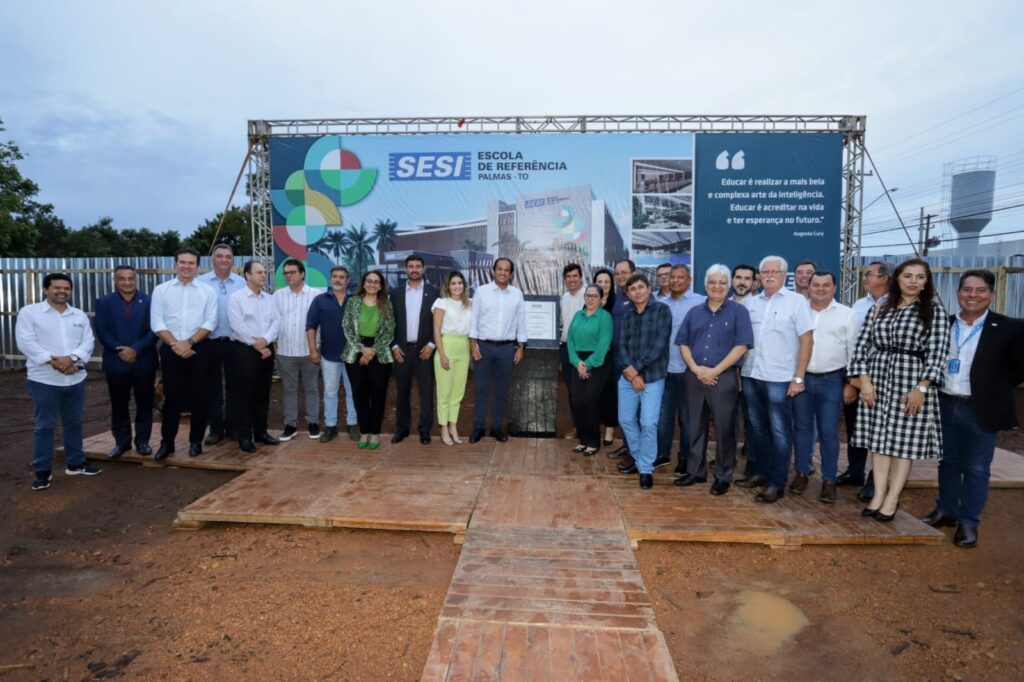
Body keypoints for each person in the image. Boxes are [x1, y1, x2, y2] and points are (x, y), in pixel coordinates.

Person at [921, 270, 1024, 547]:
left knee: (976, 468)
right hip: (945, 403)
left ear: (991, 294)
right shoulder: (944, 324)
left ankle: (968, 521)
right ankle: (946, 510)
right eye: (967, 290)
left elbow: (1018, 369)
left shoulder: (1009, 327)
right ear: (958, 293)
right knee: (948, 463)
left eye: (980, 290)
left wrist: (993, 388)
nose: (973, 296)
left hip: (980, 408)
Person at [849, 258, 949, 522]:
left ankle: (892, 499)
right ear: (897, 279)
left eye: (920, 277)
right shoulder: (881, 307)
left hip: (911, 383)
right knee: (879, 442)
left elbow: (938, 353)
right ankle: (878, 495)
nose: (913, 281)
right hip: (876, 381)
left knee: (903, 445)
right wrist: (864, 381)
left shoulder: (934, 311)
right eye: (908, 276)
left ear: (926, 282)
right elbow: (861, 345)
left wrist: (922, 388)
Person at [738, 255, 814, 503]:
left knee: (780, 431)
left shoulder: (796, 302)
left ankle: (777, 482)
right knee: (757, 428)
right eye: (765, 271)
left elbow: (807, 340)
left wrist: (799, 377)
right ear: (759, 276)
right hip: (751, 374)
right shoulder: (750, 303)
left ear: (784, 275)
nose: (769, 275)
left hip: (779, 378)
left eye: (775, 271)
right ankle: (761, 473)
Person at [16, 273, 100, 490]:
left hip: (75, 378)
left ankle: (76, 463)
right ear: (46, 290)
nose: (62, 291)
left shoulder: (78, 315)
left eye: (66, 288)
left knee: (74, 423)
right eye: (57, 287)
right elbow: (26, 342)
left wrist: (71, 359)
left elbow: (88, 342)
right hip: (44, 380)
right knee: (45, 426)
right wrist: (54, 361)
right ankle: (42, 471)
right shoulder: (30, 313)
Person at [675, 264, 753, 495]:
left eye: (721, 282)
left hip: (724, 378)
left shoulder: (739, 312)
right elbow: (683, 343)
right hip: (694, 377)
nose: (716, 286)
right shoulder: (694, 312)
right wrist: (696, 369)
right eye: (712, 282)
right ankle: (696, 471)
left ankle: (723, 475)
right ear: (705, 285)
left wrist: (714, 371)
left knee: (724, 428)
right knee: (695, 425)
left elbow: (741, 346)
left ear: (728, 286)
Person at [794, 271, 858, 503]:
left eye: (826, 285)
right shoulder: (799, 311)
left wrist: (850, 383)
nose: (820, 289)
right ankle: (801, 473)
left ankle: (829, 480)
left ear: (834, 288)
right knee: (802, 428)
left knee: (829, 432)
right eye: (816, 285)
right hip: (801, 378)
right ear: (808, 287)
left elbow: (854, 351)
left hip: (832, 380)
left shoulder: (848, 315)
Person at [150, 248, 218, 460]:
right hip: (171, 349)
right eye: (182, 262)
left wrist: (189, 343)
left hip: (199, 348)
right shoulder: (161, 290)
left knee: (200, 397)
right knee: (172, 397)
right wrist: (175, 344)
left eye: (191, 263)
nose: (186, 266)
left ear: (197, 266)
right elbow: (157, 322)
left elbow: (211, 322)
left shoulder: (207, 291)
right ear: (175, 264)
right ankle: (167, 443)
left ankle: (196, 441)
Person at [95, 265, 158, 459]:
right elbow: (102, 330)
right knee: (119, 404)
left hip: (144, 361)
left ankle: (142, 442)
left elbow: (155, 329)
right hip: (116, 361)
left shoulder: (150, 301)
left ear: (136, 280)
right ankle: (122, 443)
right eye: (122, 278)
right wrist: (119, 349)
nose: (127, 282)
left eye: (131, 278)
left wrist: (136, 349)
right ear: (115, 281)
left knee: (145, 403)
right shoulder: (104, 302)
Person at [841, 261, 892, 499]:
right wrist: (851, 380)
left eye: (869, 274)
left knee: (883, 429)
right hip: (859, 375)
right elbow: (853, 345)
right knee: (855, 425)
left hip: (887, 376)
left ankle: (875, 480)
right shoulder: (859, 305)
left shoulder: (898, 305)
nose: (864, 279)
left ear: (885, 278)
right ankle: (855, 471)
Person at [617, 274, 672, 489]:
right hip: (628, 377)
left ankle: (646, 470)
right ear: (628, 294)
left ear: (649, 289)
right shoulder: (627, 316)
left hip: (653, 378)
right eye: (633, 289)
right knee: (626, 420)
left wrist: (637, 370)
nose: (637, 292)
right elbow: (622, 346)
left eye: (641, 287)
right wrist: (631, 373)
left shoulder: (662, 311)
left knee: (648, 423)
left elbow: (659, 346)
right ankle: (641, 459)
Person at [468, 258, 527, 443]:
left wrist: (521, 347)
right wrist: (473, 345)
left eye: (506, 270)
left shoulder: (516, 294)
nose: (503, 272)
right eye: (499, 269)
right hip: (483, 347)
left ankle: (497, 428)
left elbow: (521, 321)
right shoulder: (481, 292)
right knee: (481, 390)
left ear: (511, 273)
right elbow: (474, 319)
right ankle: (478, 428)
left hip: (506, 349)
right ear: (493, 271)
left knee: (501, 391)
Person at [655, 265, 705, 474]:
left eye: (680, 277)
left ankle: (684, 457)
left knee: (687, 418)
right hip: (664, 370)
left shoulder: (701, 302)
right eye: (672, 277)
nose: (675, 281)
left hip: (689, 371)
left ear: (689, 280)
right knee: (663, 417)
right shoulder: (659, 303)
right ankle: (662, 454)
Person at [227, 261, 280, 453]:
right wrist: (258, 345)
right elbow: (237, 325)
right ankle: (244, 436)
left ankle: (261, 432)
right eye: (259, 272)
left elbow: (276, 321)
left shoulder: (270, 298)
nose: (263, 275)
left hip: (266, 349)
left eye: (264, 272)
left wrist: (265, 340)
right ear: (248, 275)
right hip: (245, 350)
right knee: (245, 395)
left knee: (263, 393)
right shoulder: (236, 298)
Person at [342, 270, 395, 449]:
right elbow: (347, 327)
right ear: (364, 283)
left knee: (378, 395)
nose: (372, 284)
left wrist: (372, 351)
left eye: (376, 282)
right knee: (359, 394)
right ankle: (364, 431)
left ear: (380, 286)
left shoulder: (386, 305)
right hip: (355, 351)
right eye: (369, 281)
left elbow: (390, 331)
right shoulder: (353, 302)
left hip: (379, 352)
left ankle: (375, 433)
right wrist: (361, 349)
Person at [306, 266, 359, 443]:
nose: (338, 280)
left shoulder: (356, 300)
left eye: (341, 277)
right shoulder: (320, 300)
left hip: (353, 356)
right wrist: (313, 350)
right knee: (330, 392)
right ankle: (330, 427)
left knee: (353, 392)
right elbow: (311, 326)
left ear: (347, 280)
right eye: (335, 276)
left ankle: (353, 424)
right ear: (330, 278)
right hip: (329, 356)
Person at [198, 244, 245, 446]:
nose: (224, 260)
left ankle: (233, 427)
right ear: (212, 259)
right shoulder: (201, 283)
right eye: (220, 256)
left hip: (235, 342)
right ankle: (215, 428)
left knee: (236, 386)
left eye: (228, 256)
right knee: (212, 387)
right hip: (209, 342)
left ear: (232, 260)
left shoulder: (242, 283)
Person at [391, 255, 439, 444]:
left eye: (418, 266)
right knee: (402, 391)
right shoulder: (396, 293)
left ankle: (425, 430)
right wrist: (394, 345)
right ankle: (402, 429)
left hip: (425, 350)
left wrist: (432, 345)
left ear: (423, 269)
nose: (414, 270)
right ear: (406, 270)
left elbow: (441, 323)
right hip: (402, 351)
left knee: (426, 393)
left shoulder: (434, 292)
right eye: (411, 266)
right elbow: (389, 322)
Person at [273, 259, 322, 441]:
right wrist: (275, 345)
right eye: (286, 273)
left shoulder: (316, 295)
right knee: (289, 390)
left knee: (312, 389)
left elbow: (321, 324)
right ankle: (290, 425)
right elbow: (272, 320)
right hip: (285, 352)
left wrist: (317, 348)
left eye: (292, 272)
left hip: (310, 352)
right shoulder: (277, 295)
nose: (288, 276)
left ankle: (313, 423)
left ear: (302, 274)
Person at [566, 284, 614, 456]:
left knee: (590, 401)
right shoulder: (578, 315)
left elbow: (603, 345)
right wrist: (576, 362)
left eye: (594, 296)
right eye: (587, 295)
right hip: (577, 362)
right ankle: (583, 440)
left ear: (601, 299)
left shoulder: (605, 317)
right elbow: (570, 340)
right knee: (577, 401)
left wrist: (586, 365)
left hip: (597, 363)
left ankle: (593, 441)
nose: (590, 299)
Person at [432, 271, 473, 446]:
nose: (457, 286)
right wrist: (442, 354)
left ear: (464, 285)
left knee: (458, 392)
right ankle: (443, 428)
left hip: (464, 348)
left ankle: (453, 426)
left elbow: (473, 331)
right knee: (444, 392)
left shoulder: (470, 303)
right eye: (453, 283)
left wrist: (473, 350)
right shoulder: (442, 303)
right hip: (446, 345)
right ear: (448, 286)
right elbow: (436, 331)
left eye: (460, 283)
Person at [731, 263, 759, 479]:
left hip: (751, 372)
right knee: (727, 417)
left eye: (747, 278)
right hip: (727, 371)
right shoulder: (723, 304)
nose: (742, 282)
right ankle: (728, 456)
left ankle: (753, 461)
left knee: (753, 419)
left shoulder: (759, 305)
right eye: (738, 277)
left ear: (754, 282)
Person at [609, 259, 636, 461]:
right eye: (617, 273)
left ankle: (636, 451)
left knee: (636, 410)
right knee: (625, 407)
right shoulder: (618, 295)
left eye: (624, 272)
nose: (620, 276)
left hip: (633, 363)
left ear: (633, 273)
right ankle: (628, 445)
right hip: (617, 360)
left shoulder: (638, 295)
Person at [559, 263, 585, 440]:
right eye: (568, 277)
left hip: (583, 350)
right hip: (566, 348)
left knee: (585, 390)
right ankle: (577, 426)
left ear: (581, 277)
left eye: (575, 276)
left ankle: (588, 427)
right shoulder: (564, 298)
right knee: (572, 391)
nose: (572, 280)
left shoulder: (588, 295)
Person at [594, 268, 620, 448]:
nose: (603, 285)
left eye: (607, 282)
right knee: (594, 394)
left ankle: (609, 430)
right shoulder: (590, 301)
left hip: (610, 356)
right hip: (592, 356)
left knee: (609, 394)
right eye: (599, 281)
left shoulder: (617, 304)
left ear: (612, 284)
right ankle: (594, 426)